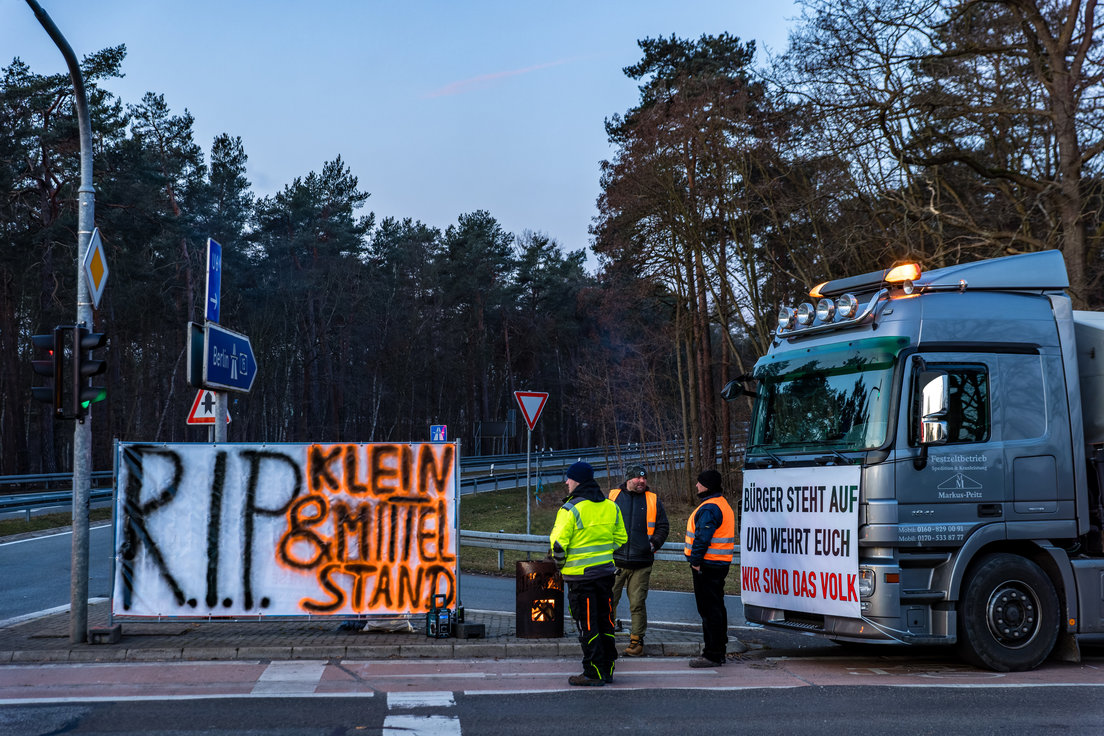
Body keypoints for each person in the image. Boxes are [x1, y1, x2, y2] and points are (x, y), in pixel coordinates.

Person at [550, 461, 627, 686]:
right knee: (605, 622)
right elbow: (621, 539)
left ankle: (592, 672)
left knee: (587, 625)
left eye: (569, 478)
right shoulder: (611, 507)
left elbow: (558, 545)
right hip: (605, 576)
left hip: (580, 579)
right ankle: (607, 670)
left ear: (578, 481)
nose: (566, 482)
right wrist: (601, 552)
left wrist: (561, 566)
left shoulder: (570, 509)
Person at [684, 469, 743, 667]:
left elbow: (702, 537)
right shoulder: (722, 503)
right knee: (716, 608)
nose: (696, 485)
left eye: (699, 482)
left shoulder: (710, 507)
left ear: (707, 485)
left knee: (709, 610)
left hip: (707, 565)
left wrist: (695, 561)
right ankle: (719, 648)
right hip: (718, 564)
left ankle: (712, 654)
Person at [609, 464, 669, 657]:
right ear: (629, 479)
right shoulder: (612, 497)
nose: (642, 481)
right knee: (608, 601)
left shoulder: (653, 500)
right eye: (638, 478)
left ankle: (636, 643)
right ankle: (605, 639)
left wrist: (653, 545)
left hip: (641, 562)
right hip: (615, 561)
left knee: (637, 604)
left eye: (644, 478)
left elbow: (663, 526)